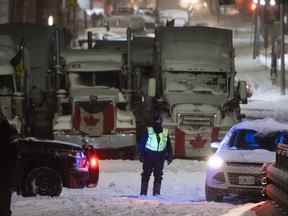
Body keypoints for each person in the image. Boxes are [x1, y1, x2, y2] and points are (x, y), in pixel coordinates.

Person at [138, 114, 173, 196]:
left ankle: (149, 193)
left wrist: (141, 154)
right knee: (152, 175)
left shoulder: (153, 131)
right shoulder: (151, 131)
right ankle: (149, 193)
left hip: (154, 157)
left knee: (151, 175)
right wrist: (169, 156)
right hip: (153, 157)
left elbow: (168, 145)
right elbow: (169, 146)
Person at [0, 111, 19, 216]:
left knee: (3, 203)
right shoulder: (10, 130)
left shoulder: (9, 130)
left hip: (4, 172)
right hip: (5, 172)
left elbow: (14, 153)